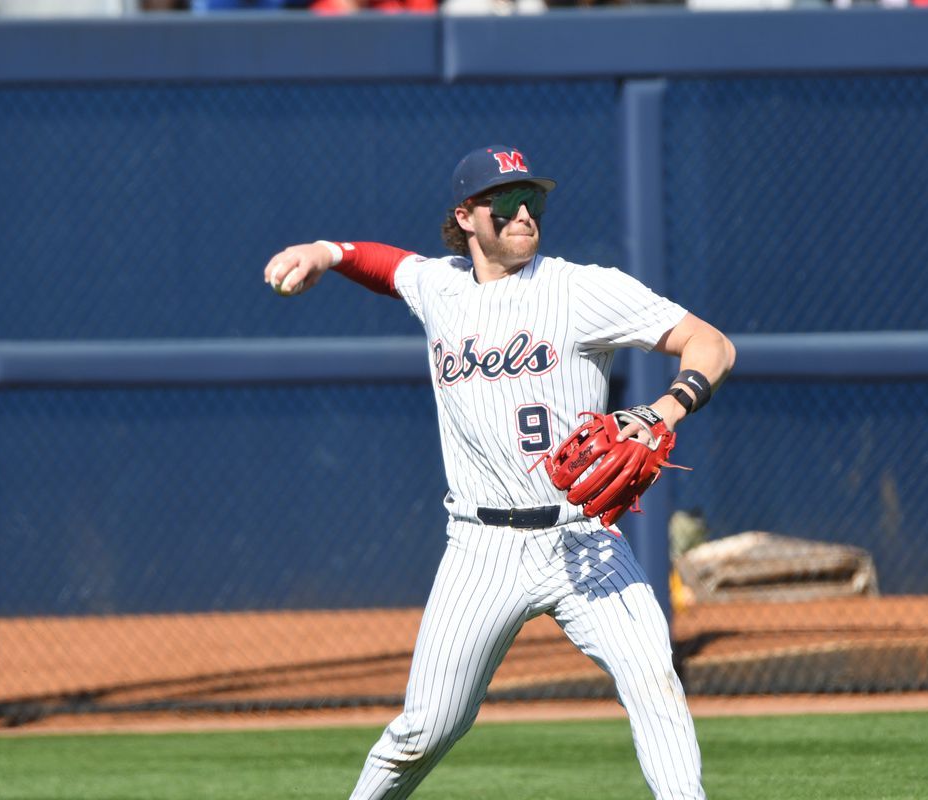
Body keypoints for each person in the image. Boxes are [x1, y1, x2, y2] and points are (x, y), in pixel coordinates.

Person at [263, 144, 735, 800]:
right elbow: (388, 265)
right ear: (466, 216)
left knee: (654, 679)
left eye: (534, 200)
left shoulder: (581, 288)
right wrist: (326, 252)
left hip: (583, 538)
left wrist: (664, 410)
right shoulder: (441, 287)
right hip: (481, 548)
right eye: (507, 202)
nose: (524, 214)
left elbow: (712, 343)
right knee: (424, 730)